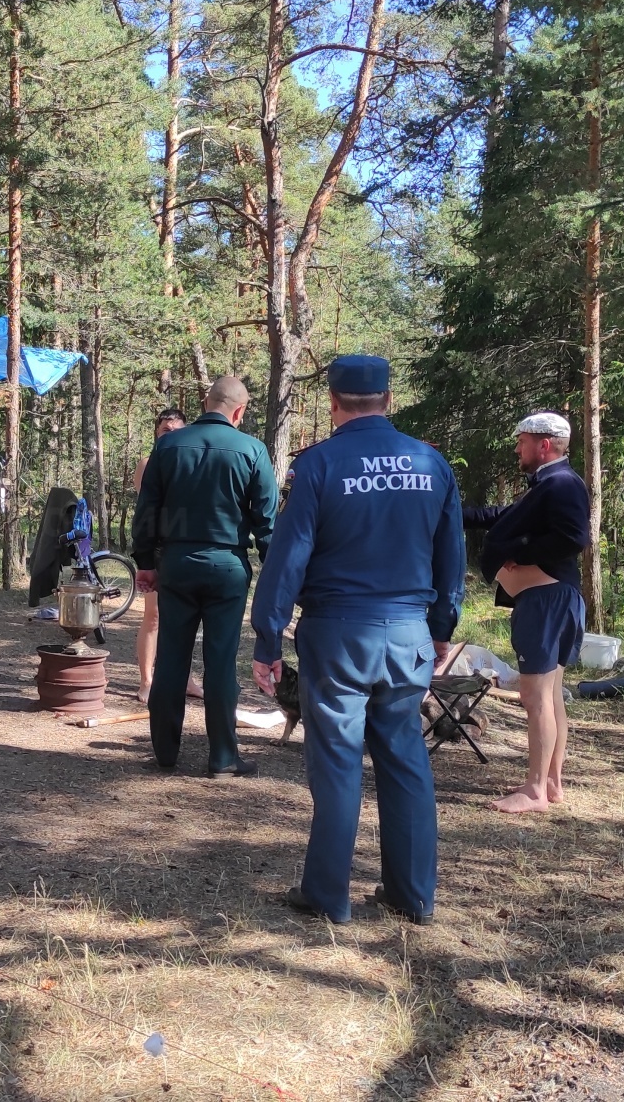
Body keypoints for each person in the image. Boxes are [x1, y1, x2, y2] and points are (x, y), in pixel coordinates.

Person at [251, 356, 465, 925]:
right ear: (388, 399)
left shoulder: (319, 465)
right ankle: (413, 895)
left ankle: (328, 895)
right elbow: (453, 559)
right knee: (407, 760)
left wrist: (267, 639)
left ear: (334, 403)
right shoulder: (432, 464)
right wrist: (442, 628)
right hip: (408, 635)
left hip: (339, 635)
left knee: (339, 763)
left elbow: (286, 559)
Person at [131, 377, 277, 776]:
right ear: (240, 411)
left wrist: (145, 561)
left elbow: (147, 509)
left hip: (177, 563)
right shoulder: (253, 450)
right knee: (221, 661)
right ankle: (223, 757)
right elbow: (266, 522)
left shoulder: (168, 445)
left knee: (172, 658)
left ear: (205, 402)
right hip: (228, 567)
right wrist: (276, 572)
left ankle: (164, 752)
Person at [464, 411, 591, 814]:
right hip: (552, 599)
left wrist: (519, 554)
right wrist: (455, 513)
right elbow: (505, 517)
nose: (518, 448)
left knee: (534, 697)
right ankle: (551, 782)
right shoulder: (549, 484)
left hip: (546, 601)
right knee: (550, 696)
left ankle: (535, 790)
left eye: (522, 441)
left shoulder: (562, 483)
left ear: (544, 445)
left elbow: (574, 537)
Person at [132, 408, 203, 703]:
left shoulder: (195, 462)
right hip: (159, 549)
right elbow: (149, 509)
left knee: (187, 618)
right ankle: (147, 681)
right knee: (155, 615)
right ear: (156, 434)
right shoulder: (148, 464)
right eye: (165, 431)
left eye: (177, 431)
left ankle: (185, 678)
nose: (171, 436)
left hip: (188, 548)